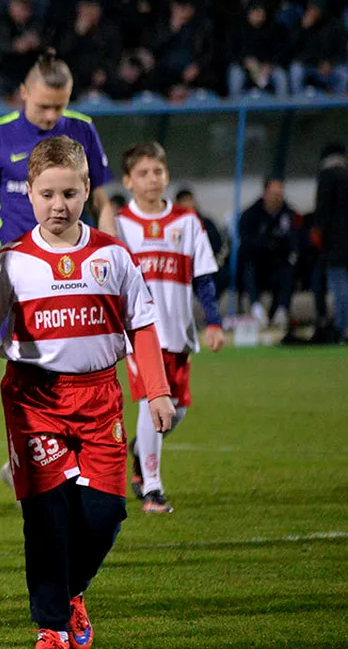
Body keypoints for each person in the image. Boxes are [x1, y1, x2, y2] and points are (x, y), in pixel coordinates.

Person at [0, 136, 176, 649]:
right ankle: (51, 627)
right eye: (47, 194)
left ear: (88, 190)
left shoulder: (113, 256)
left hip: (98, 397)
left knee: (104, 512)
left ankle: (72, 593)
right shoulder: (12, 262)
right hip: (33, 400)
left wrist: (155, 391)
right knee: (47, 517)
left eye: (69, 193)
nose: (58, 205)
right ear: (28, 193)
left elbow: (144, 325)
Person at [116, 142, 225, 514]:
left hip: (178, 335)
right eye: (143, 173)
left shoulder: (186, 222)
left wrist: (213, 321)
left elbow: (204, 276)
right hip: (140, 336)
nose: (152, 180)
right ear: (128, 180)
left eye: (158, 172)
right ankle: (152, 488)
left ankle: (137, 451)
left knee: (175, 412)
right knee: (151, 406)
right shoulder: (119, 226)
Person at [0, 51, 116, 263]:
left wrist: (114, 255)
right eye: (43, 107)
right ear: (24, 93)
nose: (51, 115)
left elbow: (101, 202)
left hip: (72, 261)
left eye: (59, 106)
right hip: (13, 258)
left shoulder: (83, 129)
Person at [238, 178, 298, 328]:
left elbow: (294, 241)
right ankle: (256, 309)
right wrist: (267, 243)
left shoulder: (289, 214)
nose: (277, 197)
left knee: (289, 269)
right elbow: (246, 243)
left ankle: (281, 311)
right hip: (257, 267)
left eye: (280, 194)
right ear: (265, 194)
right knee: (248, 268)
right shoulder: (250, 215)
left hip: (278, 267)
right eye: (273, 193)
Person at [313, 144, 348, 341]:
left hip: (335, 242)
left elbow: (323, 210)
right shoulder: (345, 174)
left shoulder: (327, 176)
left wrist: (318, 232)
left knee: (339, 284)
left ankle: (342, 327)